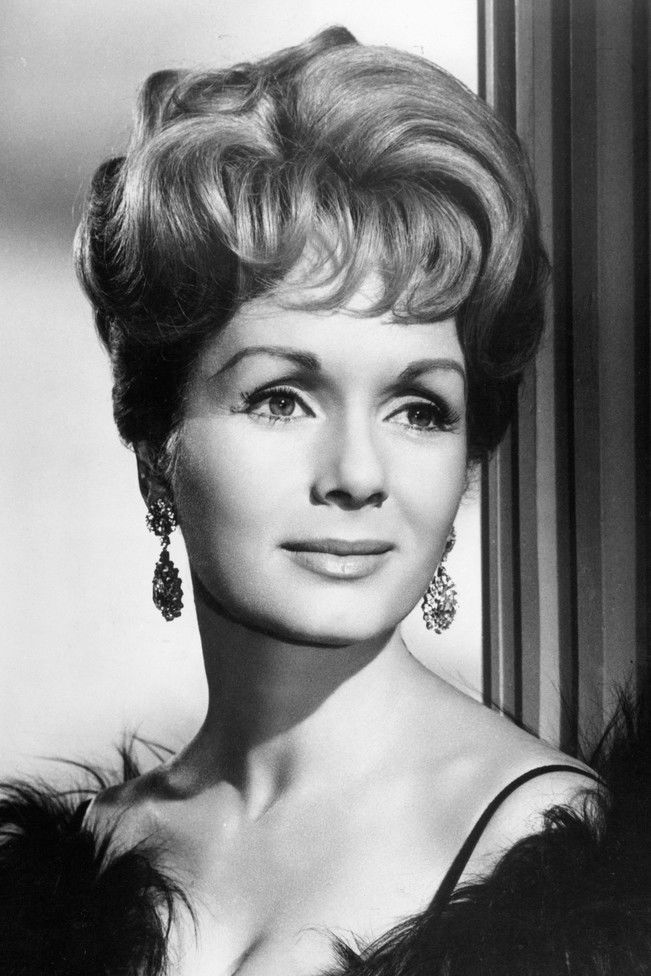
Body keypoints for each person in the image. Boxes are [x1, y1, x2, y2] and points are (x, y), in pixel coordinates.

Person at [1, 26, 649, 976]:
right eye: (281, 398)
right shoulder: (53, 888)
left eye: (417, 409)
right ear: (155, 440)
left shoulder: (565, 881)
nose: (356, 473)